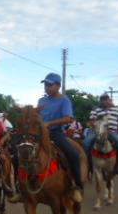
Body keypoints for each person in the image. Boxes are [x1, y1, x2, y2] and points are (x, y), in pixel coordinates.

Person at [16, 72, 83, 203]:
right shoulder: (42, 100)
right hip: (38, 134)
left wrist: (49, 123)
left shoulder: (64, 100)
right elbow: (37, 116)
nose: (46, 87)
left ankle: (76, 186)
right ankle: (21, 189)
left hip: (56, 133)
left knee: (73, 154)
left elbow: (68, 118)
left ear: (58, 85)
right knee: (18, 153)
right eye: (45, 84)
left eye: (49, 84)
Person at [83, 93, 118, 175]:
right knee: (86, 143)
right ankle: (89, 163)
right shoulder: (95, 109)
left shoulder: (117, 109)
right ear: (100, 101)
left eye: (106, 100)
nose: (104, 102)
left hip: (112, 131)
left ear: (109, 100)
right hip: (97, 131)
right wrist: (95, 125)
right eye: (102, 100)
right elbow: (92, 120)